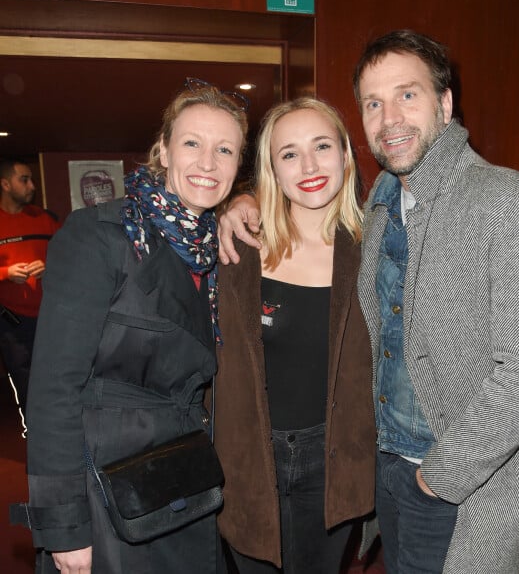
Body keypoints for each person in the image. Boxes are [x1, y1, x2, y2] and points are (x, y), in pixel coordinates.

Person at [217, 30, 519, 574]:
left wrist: (441, 474)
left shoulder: (511, 201)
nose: (390, 118)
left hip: (456, 482)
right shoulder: (378, 211)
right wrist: (241, 200)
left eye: (408, 95)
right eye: (374, 104)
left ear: (446, 103)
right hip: (384, 475)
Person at [17, 81, 248, 574]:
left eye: (224, 149)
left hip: (180, 480)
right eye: (192, 143)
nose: (208, 162)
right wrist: (65, 527)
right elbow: (54, 390)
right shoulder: (99, 236)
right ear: (163, 150)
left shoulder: (215, 250)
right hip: (104, 494)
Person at [213, 97, 376, 573]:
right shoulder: (237, 250)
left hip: (334, 458)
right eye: (289, 154)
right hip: (245, 457)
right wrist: (235, 202)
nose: (308, 165)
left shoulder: (376, 253)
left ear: (345, 155)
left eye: (322, 146)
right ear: (272, 170)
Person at [0, 159, 60, 423]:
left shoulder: (44, 219)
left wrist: (49, 266)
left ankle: (63, 434)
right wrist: (5, 274)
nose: (32, 186)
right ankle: (36, 435)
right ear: (5, 184)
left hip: (50, 317)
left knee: (57, 378)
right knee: (25, 383)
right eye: (24, 179)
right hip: (11, 322)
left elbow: (70, 257)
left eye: (32, 179)